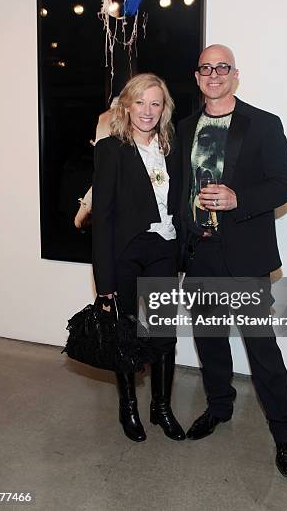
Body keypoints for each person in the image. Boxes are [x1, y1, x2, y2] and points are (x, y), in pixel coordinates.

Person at [175, 44, 287, 478]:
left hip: (245, 257)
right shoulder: (184, 127)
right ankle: (218, 409)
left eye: (222, 67)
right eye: (206, 68)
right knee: (210, 344)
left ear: (235, 74)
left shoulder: (263, 124)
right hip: (199, 254)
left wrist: (238, 198)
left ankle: (285, 435)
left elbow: (284, 185)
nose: (214, 75)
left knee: (262, 349)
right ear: (197, 77)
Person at [92, 73, 185, 443]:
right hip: (126, 252)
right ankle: (128, 407)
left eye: (155, 103)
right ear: (127, 105)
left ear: (164, 109)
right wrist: (105, 282)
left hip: (164, 248)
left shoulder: (172, 147)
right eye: (140, 102)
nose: (147, 111)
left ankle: (161, 408)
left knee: (163, 332)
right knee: (126, 335)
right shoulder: (111, 148)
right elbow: (103, 218)